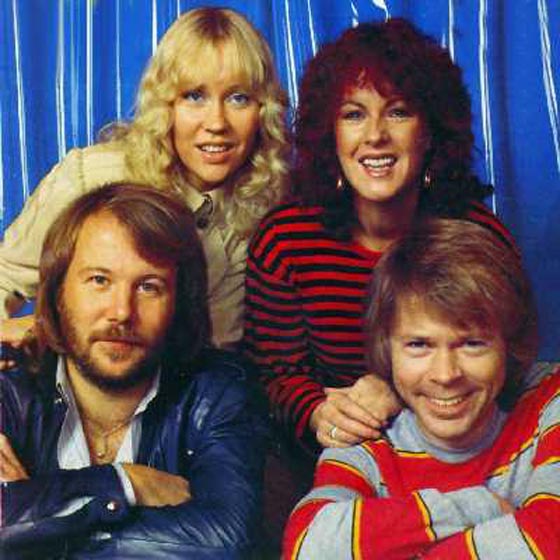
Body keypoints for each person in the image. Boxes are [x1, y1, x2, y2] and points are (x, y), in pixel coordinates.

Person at [244, 18, 515, 455]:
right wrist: (317, 412)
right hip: (329, 449)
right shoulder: (285, 241)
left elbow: (503, 366)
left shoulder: (478, 236)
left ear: (429, 131)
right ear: (330, 133)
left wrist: (397, 389)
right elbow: (275, 376)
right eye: (353, 114)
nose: (375, 136)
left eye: (398, 112)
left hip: (454, 445)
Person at [0, 7, 288, 365]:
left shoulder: (265, 211)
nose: (216, 123)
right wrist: (23, 334)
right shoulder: (92, 176)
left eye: (238, 98)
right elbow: (5, 275)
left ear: (263, 111)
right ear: (165, 104)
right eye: (194, 96)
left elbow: (218, 357)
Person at [0, 184, 267, 559]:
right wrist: (123, 483)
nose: (122, 312)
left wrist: (34, 526)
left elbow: (226, 542)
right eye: (99, 280)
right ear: (59, 292)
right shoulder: (9, 388)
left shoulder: (219, 392)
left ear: (179, 302)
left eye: (148, 287)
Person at [283, 218, 560, 559]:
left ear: (508, 343)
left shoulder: (549, 397)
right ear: (388, 350)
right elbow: (307, 545)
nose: (445, 374)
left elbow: (553, 535)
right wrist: (476, 507)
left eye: (472, 344)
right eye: (419, 345)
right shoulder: (367, 437)